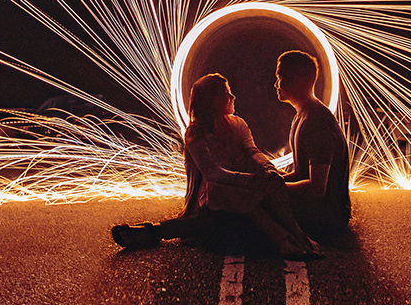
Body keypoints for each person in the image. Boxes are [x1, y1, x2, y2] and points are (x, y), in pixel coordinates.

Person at [111, 72, 320, 257]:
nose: (233, 97)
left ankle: (297, 234)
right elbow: (213, 174)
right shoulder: (195, 133)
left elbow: (252, 152)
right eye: (227, 93)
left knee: (269, 182)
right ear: (213, 100)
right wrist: (253, 180)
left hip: (240, 190)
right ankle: (283, 238)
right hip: (211, 196)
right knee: (225, 191)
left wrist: (268, 170)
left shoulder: (238, 124)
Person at [276, 50, 351, 240]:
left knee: (251, 208)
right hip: (319, 211)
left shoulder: (316, 122)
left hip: (326, 218)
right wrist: (273, 177)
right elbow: (302, 176)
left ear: (299, 79)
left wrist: (274, 188)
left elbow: (317, 189)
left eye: (281, 77)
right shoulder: (302, 116)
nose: (276, 84)